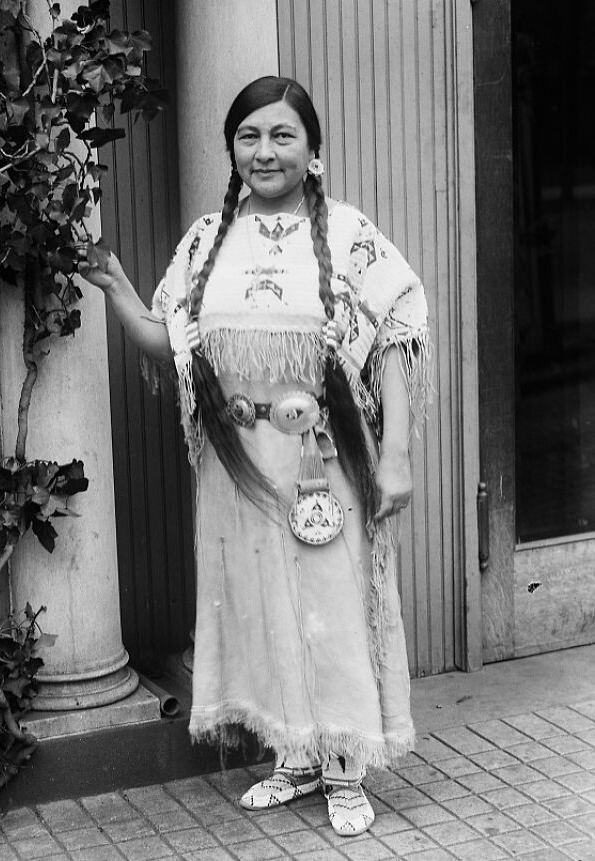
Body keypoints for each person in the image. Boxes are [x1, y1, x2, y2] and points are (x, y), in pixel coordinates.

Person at [80, 76, 429, 837]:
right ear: (232, 150)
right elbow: (168, 342)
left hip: (320, 460)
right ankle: (295, 756)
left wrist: (395, 455)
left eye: (282, 135)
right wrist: (116, 288)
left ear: (314, 149)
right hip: (232, 464)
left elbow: (398, 334)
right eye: (249, 136)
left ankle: (345, 765)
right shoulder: (208, 241)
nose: (264, 151)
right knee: (260, 607)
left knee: (332, 609)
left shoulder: (348, 233)